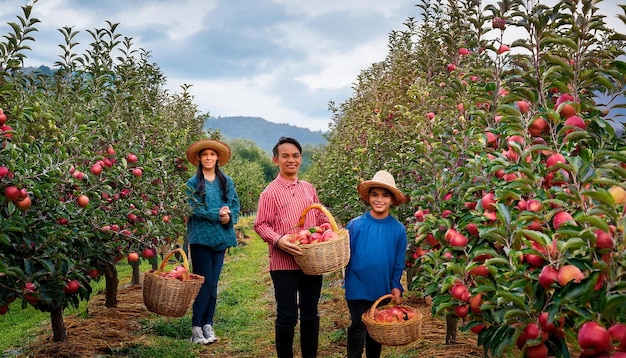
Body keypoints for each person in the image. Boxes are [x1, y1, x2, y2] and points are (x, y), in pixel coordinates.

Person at [254, 136, 328, 358]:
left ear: (301, 159)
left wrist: (328, 230)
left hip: (311, 261)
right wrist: (279, 241)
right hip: (283, 263)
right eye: (285, 156)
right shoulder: (270, 192)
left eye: (295, 156)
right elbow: (260, 225)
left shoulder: (308, 188)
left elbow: (319, 216)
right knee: (287, 314)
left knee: (310, 312)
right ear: (275, 160)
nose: (291, 160)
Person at [344, 170, 409, 358]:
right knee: (357, 325)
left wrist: (396, 285)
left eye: (385, 195)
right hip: (356, 284)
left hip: (381, 286)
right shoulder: (355, 225)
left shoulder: (398, 229)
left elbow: (398, 262)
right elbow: (345, 255)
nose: (379, 199)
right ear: (368, 198)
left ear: (392, 200)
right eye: (375, 195)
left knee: (377, 327)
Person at [185, 139, 240, 345]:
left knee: (213, 284)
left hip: (220, 238)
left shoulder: (226, 181)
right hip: (201, 238)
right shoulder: (192, 184)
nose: (208, 157)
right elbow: (193, 208)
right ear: (199, 158)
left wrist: (228, 217)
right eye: (205, 154)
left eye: (212, 154)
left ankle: (208, 324)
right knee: (203, 283)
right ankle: (196, 327)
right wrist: (217, 215)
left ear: (217, 158)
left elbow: (234, 204)